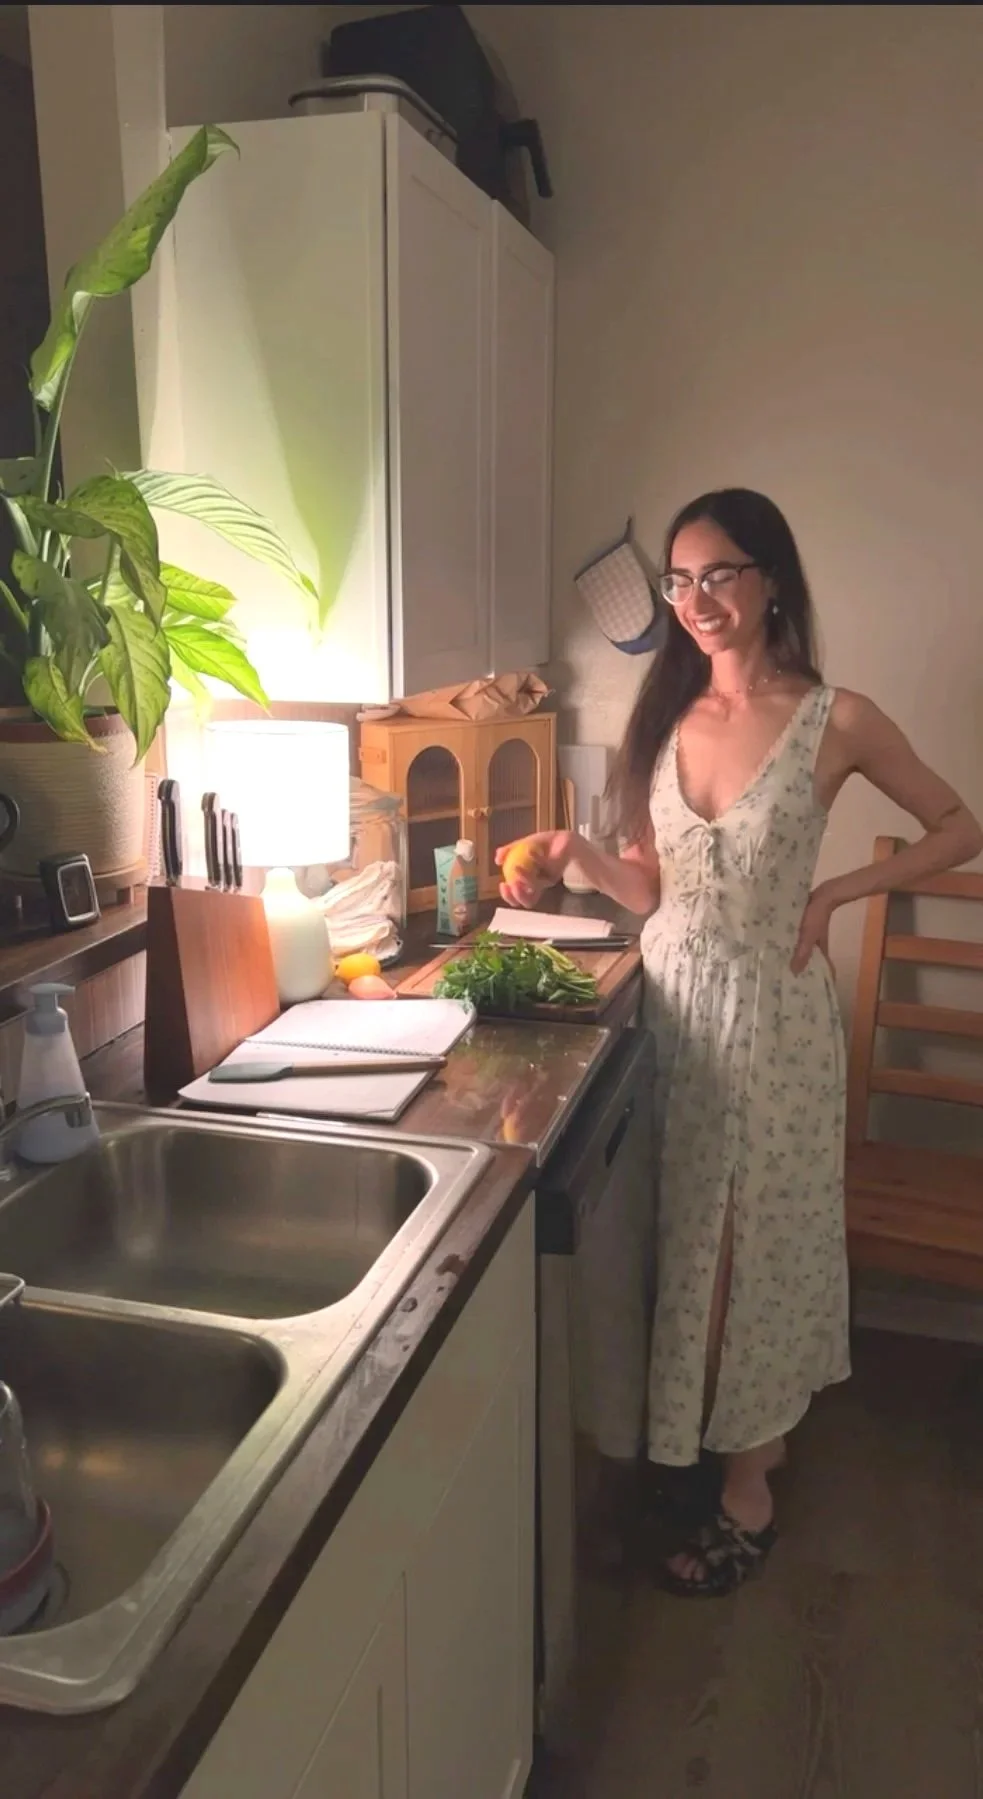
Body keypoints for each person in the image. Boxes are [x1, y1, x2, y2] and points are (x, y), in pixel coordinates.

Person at [497, 488, 982, 1597]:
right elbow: (653, 886)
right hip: (670, 1008)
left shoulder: (834, 717)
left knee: (751, 1248)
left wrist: (841, 892)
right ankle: (694, 1442)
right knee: (680, 1240)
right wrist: (576, 851)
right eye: (678, 580)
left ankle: (747, 1477)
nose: (696, 600)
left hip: (773, 1020)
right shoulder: (665, 715)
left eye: (717, 574)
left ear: (768, 580)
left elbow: (958, 825)